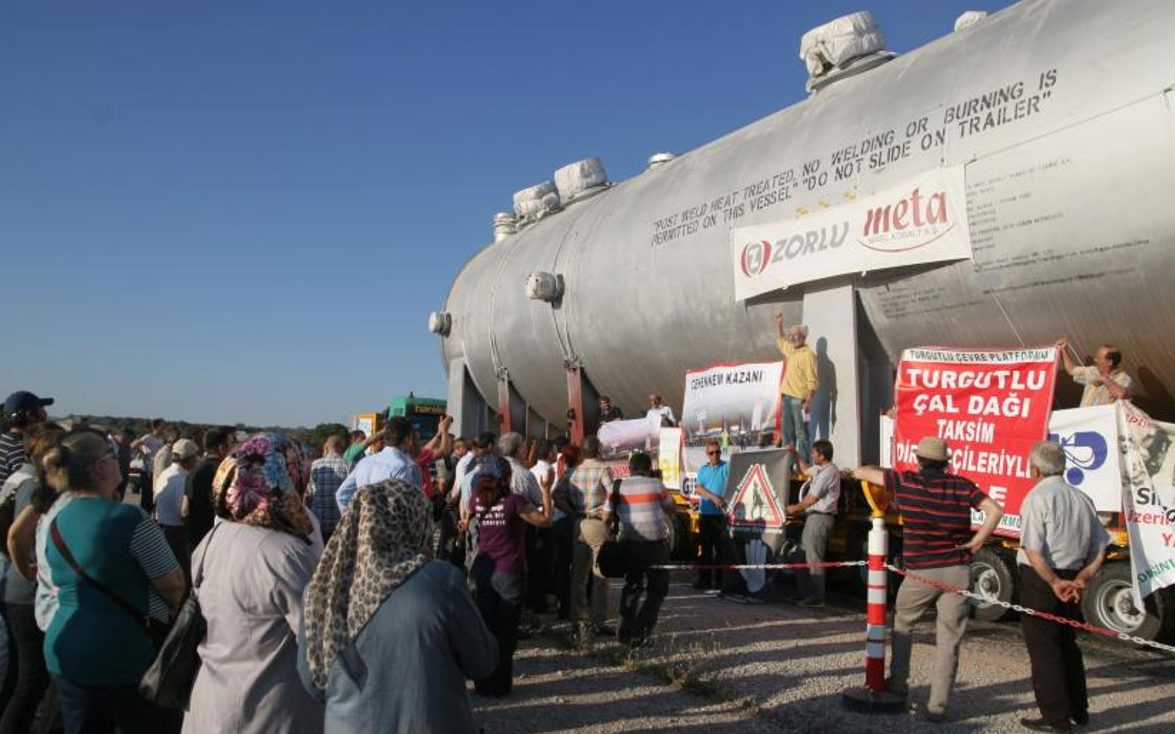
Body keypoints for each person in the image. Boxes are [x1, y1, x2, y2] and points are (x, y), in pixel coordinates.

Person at [298, 478, 497, 733]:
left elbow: (313, 683)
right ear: (414, 522)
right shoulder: (442, 581)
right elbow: (482, 662)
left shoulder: (321, 590)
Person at [36, 428, 185, 733]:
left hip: (65, 646)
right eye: (111, 456)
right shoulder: (129, 518)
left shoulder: (56, 519)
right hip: (122, 651)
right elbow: (172, 583)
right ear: (100, 468)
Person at [852, 436, 1004, 722]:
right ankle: (938, 707)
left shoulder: (905, 482)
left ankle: (898, 686)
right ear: (946, 462)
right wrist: (979, 540)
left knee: (903, 624)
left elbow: (861, 472)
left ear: (919, 460)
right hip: (957, 570)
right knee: (949, 640)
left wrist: (868, 469)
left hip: (920, 571)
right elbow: (995, 510)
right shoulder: (962, 485)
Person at [183, 433, 323, 734]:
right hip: (264, 707)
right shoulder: (286, 554)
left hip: (209, 698)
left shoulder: (213, 539)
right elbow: (318, 641)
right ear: (286, 478)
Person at [1017, 442, 1110, 733]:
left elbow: (1033, 549)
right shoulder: (1082, 498)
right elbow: (1100, 547)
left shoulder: (1036, 497)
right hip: (1073, 575)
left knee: (1044, 648)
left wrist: (1055, 582)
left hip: (1043, 578)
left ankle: (1055, 718)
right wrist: (1083, 577)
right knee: (1067, 642)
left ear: (1035, 469)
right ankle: (1078, 709)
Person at [468, 456, 553, 695]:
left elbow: (468, 515)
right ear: (506, 478)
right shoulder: (514, 502)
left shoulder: (476, 500)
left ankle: (482, 684)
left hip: (483, 571)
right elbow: (545, 520)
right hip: (510, 571)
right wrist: (546, 490)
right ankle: (500, 685)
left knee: (486, 627)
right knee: (506, 630)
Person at [0, 422, 63, 734]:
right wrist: (28, 570)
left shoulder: (22, 480)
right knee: (31, 681)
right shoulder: (38, 487)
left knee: (19, 676)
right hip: (25, 594)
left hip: (16, 589)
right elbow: (15, 536)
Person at [603, 451, 674, 648]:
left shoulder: (617, 486)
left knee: (632, 587)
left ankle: (624, 633)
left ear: (630, 468)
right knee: (657, 590)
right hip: (656, 546)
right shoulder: (657, 485)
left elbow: (605, 518)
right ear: (649, 468)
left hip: (629, 544)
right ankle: (640, 634)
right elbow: (671, 509)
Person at [553, 436, 614, 637]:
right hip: (597, 522)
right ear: (597, 450)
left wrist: (571, 512)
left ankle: (577, 621)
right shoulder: (603, 469)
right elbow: (612, 494)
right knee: (600, 574)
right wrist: (607, 513)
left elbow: (556, 495)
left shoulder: (572, 471)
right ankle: (598, 621)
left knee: (578, 575)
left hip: (578, 523)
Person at [783, 439, 840, 607]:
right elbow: (806, 469)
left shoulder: (829, 472)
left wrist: (794, 508)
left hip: (820, 517)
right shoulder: (821, 469)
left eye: (814, 453)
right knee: (801, 555)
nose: (812, 455)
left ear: (822, 456)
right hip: (813, 517)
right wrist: (796, 455)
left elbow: (811, 498)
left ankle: (817, 598)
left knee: (814, 557)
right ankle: (804, 593)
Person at [335, 418, 421, 513]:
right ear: (407, 439)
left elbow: (341, 495)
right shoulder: (407, 467)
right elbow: (409, 508)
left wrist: (354, 520)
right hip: (391, 527)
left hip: (364, 525)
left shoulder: (364, 462)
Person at [772, 315, 819, 459]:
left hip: (799, 399)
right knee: (787, 433)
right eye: (791, 335)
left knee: (801, 433)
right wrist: (779, 324)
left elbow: (813, 380)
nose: (792, 338)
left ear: (803, 337)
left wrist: (809, 401)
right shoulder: (792, 350)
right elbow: (781, 342)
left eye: (795, 335)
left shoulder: (808, 355)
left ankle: (804, 463)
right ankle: (789, 464)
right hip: (786, 397)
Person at [153, 438, 201, 576]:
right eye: (195, 457)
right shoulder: (181, 478)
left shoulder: (166, 473)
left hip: (163, 527)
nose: (197, 460)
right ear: (188, 459)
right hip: (175, 532)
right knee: (181, 573)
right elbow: (183, 511)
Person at [183, 427, 231, 551]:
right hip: (215, 539)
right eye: (230, 445)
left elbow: (185, 509)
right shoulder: (225, 473)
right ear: (222, 448)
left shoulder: (192, 472)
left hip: (194, 538)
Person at [693, 440, 730, 592]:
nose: (715, 455)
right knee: (705, 551)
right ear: (707, 454)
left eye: (718, 452)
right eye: (712, 453)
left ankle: (721, 582)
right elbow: (699, 489)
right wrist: (714, 498)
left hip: (720, 516)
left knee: (720, 551)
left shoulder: (726, 467)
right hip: (705, 516)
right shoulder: (702, 469)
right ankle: (705, 580)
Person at [1055, 338, 1132, 407]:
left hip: (1102, 421)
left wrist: (1104, 379)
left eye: (1099, 358)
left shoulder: (1124, 378)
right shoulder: (1092, 370)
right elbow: (1071, 370)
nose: (1095, 360)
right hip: (1085, 418)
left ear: (1110, 362)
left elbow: (1121, 395)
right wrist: (1064, 350)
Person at [0, 391, 53, 487]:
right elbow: (25, 485)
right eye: (41, 410)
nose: (45, 416)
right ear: (31, 416)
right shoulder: (19, 448)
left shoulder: (4, 440)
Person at [306, 434, 348, 541]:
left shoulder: (316, 464)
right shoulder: (348, 465)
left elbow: (310, 493)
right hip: (338, 521)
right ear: (342, 449)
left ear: (326, 447)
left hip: (318, 520)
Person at [130, 418, 167, 513]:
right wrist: (143, 453)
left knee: (156, 496)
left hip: (158, 471)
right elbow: (134, 445)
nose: (164, 428)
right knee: (147, 497)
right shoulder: (148, 437)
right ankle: (143, 518)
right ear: (155, 427)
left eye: (164, 426)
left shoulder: (163, 439)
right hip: (148, 471)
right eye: (162, 426)